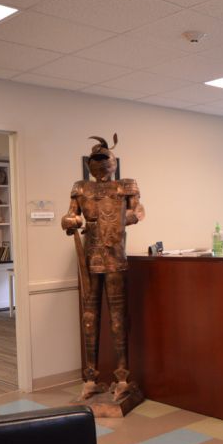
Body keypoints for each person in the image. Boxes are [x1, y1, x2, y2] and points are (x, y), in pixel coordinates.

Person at [61, 135, 144, 402]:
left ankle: (121, 377)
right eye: (94, 160)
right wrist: (69, 220)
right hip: (90, 254)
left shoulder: (125, 186)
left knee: (117, 315)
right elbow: (71, 214)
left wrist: (120, 220)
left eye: (103, 159)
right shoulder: (80, 188)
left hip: (115, 254)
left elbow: (138, 211)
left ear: (113, 162)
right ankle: (91, 377)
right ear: (88, 164)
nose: (99, 165)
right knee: (89, 315)